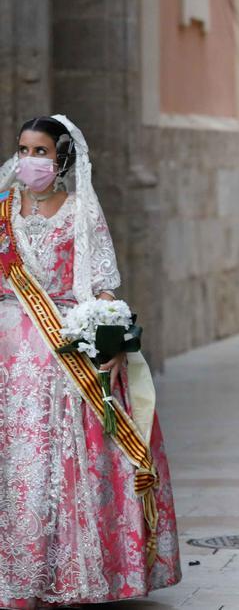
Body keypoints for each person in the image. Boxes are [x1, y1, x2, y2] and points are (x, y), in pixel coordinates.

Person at [0, 115, 180, 607]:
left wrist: (111, 339)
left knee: (65, 465)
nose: (28, 160)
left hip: (64, 351)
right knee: (19, 467)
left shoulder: (81, 210)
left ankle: (76, 573)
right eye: (23, 149)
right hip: (9, 355)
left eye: (40, 151)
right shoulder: (3, 209)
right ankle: (17, 574)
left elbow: (102, 284)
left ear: (61, 159)